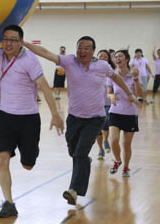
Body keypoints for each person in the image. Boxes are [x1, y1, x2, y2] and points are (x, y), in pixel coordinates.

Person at [24, 39, 138, 205]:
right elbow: (46, 53)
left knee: (79, 153)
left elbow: (116, 78)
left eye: (87, 48)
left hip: (95, 119)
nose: (82, 51)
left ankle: (74, 190)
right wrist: (25, 44)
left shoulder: (102, 66)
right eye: (80, 48)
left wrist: (129, 94)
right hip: (74, 118)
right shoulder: (69, 61)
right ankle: (84, 161)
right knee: (74, 151)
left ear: (93, 51)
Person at [0, 25, 64, 218]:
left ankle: (31, 152)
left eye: (13, 40)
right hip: (5, 117)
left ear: (21, 42)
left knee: (28, 164)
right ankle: (9, 203)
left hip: (28, 119)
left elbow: (44, 86)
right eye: (5, 39)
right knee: (1, 159)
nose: (8, 43)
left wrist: (55, 114)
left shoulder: (30, 60)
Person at [108, 50, 143, 178]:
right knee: (113, 140)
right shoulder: (112, 75)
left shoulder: (134, 74)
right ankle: (117, 161)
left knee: (126, 144)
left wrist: (135, 79)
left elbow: (140, 95)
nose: (117, 58)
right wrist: (111, 96)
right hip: (115, 111)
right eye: (115, 57)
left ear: (126, 59)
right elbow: (109, 92)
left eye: (120, 56)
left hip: (130, 113)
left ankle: (126, 167)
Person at [95, 50, 115, 159]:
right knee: (97, 128)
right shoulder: (92, 71)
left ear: (108, 60)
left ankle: (106, 140)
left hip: (108, 102)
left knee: (106, 121)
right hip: (95, 103)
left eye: (105, 57)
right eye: (100, 56)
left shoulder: (111, 72)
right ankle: (100, 149)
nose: (102, 58)